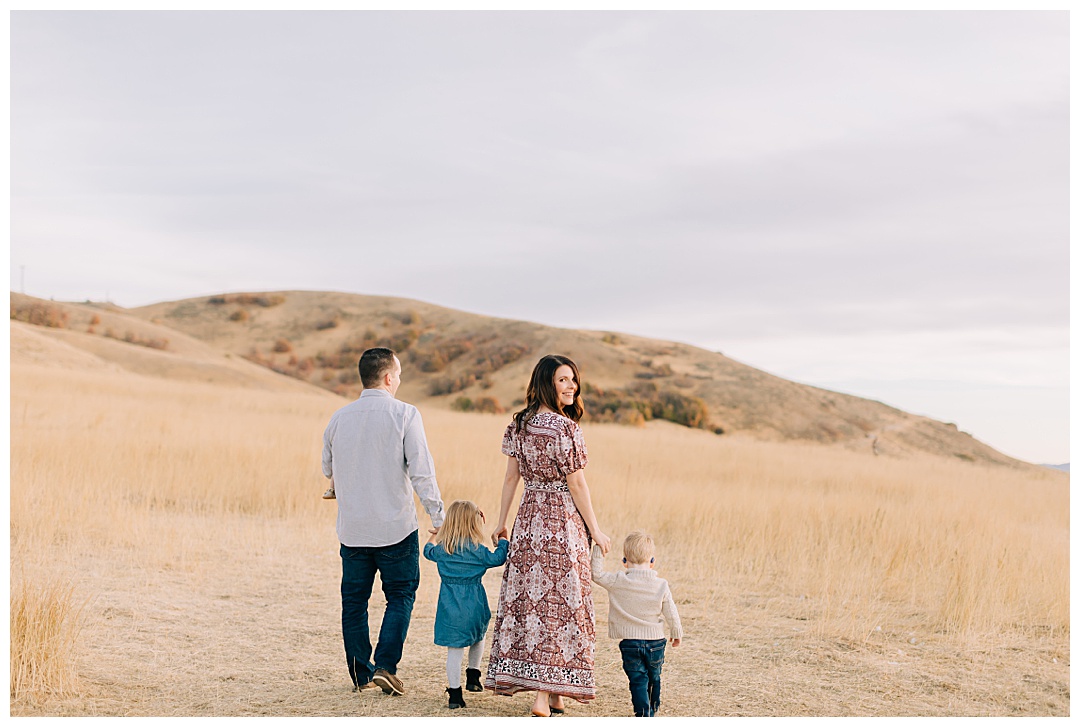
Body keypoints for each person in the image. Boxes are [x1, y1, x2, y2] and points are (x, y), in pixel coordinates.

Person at [485, 354, 612, 717]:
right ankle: (543, 696)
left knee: (533, 601)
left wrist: (501, 520)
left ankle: (555, 694)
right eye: (563, 380)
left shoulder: (519, 425)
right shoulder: (567, 430)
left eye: (573, 379)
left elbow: (512, 478)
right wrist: (595, 528)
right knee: (560, 601)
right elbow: (576, 482)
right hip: (561, 523)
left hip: (528, 519)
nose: (571, 386)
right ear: (547, 383)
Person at [321, 347, 445, 696]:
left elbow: (327, 468)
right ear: (389, 377)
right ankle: (386, 666)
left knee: (354, 603)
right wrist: (440, 517)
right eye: (399, 374)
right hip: (396, 529)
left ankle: (362, 674)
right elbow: (422, 472)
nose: (400, 379)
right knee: (401, 596)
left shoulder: (339, 417)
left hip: (354, 530)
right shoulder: (406, 414)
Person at [423, 500, 510, 709]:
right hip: (475, 604)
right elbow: (499, 559)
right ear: (474, 524)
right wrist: (503, 540)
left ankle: (455, 695)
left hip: (450, 607)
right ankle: (473, 676)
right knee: (478, 638)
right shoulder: (477, 551)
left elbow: (427, 551)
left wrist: (436, 533)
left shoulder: (444, 550)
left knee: (454, 650)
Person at [591, 531, 683, 717]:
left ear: (624, 561)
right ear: (652, 561)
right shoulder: (661, 584)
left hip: (630, 643)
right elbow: (670, 611)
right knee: (654, 676)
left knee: (638, 679)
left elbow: (596, 574)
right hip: (656, 641)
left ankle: (643, 713)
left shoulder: (618, 580)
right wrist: (676, 631)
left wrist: (599, 549)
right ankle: (653, 707)